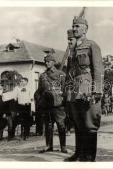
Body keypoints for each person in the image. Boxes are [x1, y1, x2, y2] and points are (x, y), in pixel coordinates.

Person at [64, 14, 104, 162]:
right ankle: (79, 153)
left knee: (90, 123)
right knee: (78, 122)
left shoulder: (92, 45)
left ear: (85, 29)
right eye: (73, 26)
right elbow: (69, 72)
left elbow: (98, 69)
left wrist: (97, 90)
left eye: (77, 26)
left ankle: (89, 156)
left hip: (87, 88)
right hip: (74, 90)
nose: (74, 28)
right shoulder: (72, 49)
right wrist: (67, 91)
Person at [37, 54, 67, 153]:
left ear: (53, 62)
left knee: (61, 125)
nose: (47, 63)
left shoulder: (61, 74)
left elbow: (65, 89)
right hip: (46, 103)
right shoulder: (42, 75)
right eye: (45, 61)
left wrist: (62, 99)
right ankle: (49, 146)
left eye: (49, 61)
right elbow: (40, 90)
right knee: (48, 125)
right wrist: (39, 102)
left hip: (58, 103)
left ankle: (63, 146)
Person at [64, 29, 77, 136]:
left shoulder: (82, 53)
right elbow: (68, 72)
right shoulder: (70, 56)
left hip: (80, 86)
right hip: (70, 86)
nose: (69, 42)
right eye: (68, 40)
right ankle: (69, 127)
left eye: (71, 39)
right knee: (69, 108)